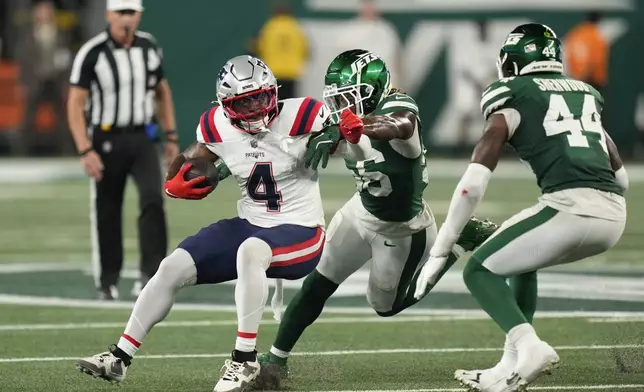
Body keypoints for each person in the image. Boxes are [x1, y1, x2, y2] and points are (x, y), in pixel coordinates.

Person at [74, 54, 370, 392]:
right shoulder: (216, 125)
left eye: (261, 97)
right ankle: (119, 357)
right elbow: (191, 160)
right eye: (244, 103)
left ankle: (244, 361)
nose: (256, 108)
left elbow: (358, 153)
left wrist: (349, 136)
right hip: (251, 223)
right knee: (172, 266)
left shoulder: (304, 114)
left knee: (251, 250)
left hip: (301, 230)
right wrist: (182, 174)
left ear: (274, 92)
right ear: (225, 107)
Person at [254, 49, 499, 386]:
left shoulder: (398, 108)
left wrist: (352, 127)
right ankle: (276, 361)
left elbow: (397, 125)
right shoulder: (343, 119)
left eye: (346, 99)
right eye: (336, 101)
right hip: (361, 210)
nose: (340, 108)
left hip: (403, 229)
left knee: (385, 305)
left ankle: (459, 241)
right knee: (317, 283)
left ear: (369, 93)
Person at [414, 24, 627, 392]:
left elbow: (472, 185)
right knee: (520, 260)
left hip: (570, 210)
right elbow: (621, 179)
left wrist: (442, 247)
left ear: (512, 64)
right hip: (614, 215)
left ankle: (530, 347)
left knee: (478, 270)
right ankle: (509, 364)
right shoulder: (586, 94)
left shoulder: (512, 94)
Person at [67, 0, 179, 300]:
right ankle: (107, 279)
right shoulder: (92, 52)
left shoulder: (148, 47)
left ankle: (152, 275)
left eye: (131, 12)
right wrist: (84, 150)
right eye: (121, 12)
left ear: (140, 14)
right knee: (107, 209)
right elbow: (75, 104)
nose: (126, 19)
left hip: (142, 137)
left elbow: (162, 91)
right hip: (105, 140)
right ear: (108, 15)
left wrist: (170, 137)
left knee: (153, 200)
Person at [15, 0, 71, 155]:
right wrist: (22, 83)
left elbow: (66, 60)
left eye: (47, 10)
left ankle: (67, 153)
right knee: (28, 120)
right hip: (36, 82)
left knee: (62, 121)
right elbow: (23, 61)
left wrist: (66, 83)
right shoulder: (28, 34)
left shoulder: (61, 33)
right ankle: (22, 153)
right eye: (41, 10)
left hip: (55, 81)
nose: (44, 13)